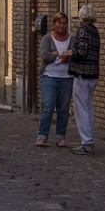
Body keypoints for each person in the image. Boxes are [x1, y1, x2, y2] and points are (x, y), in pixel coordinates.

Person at [36, 12, 74, 147]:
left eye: (64, 23)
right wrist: (62, 56)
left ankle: (60, 136)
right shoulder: (47, 38)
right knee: (48, 107)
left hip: (66, 78)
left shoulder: (71, 39)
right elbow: (45, 54)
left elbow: (74, 54)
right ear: (54, 23)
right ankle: (42, 135)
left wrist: (64, 56)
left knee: (63, 109)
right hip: (49, 77)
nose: (62, 26)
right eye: (59, 23)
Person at [69, 4, 100, 155]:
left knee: (81, 109)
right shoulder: (95, 31)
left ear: (81, 16)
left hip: (82, 73)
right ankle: (90, 141)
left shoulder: (82, 30)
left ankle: (86, 142)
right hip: (93, 74)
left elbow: (81, 51)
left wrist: (69, 53)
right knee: (88, 108)